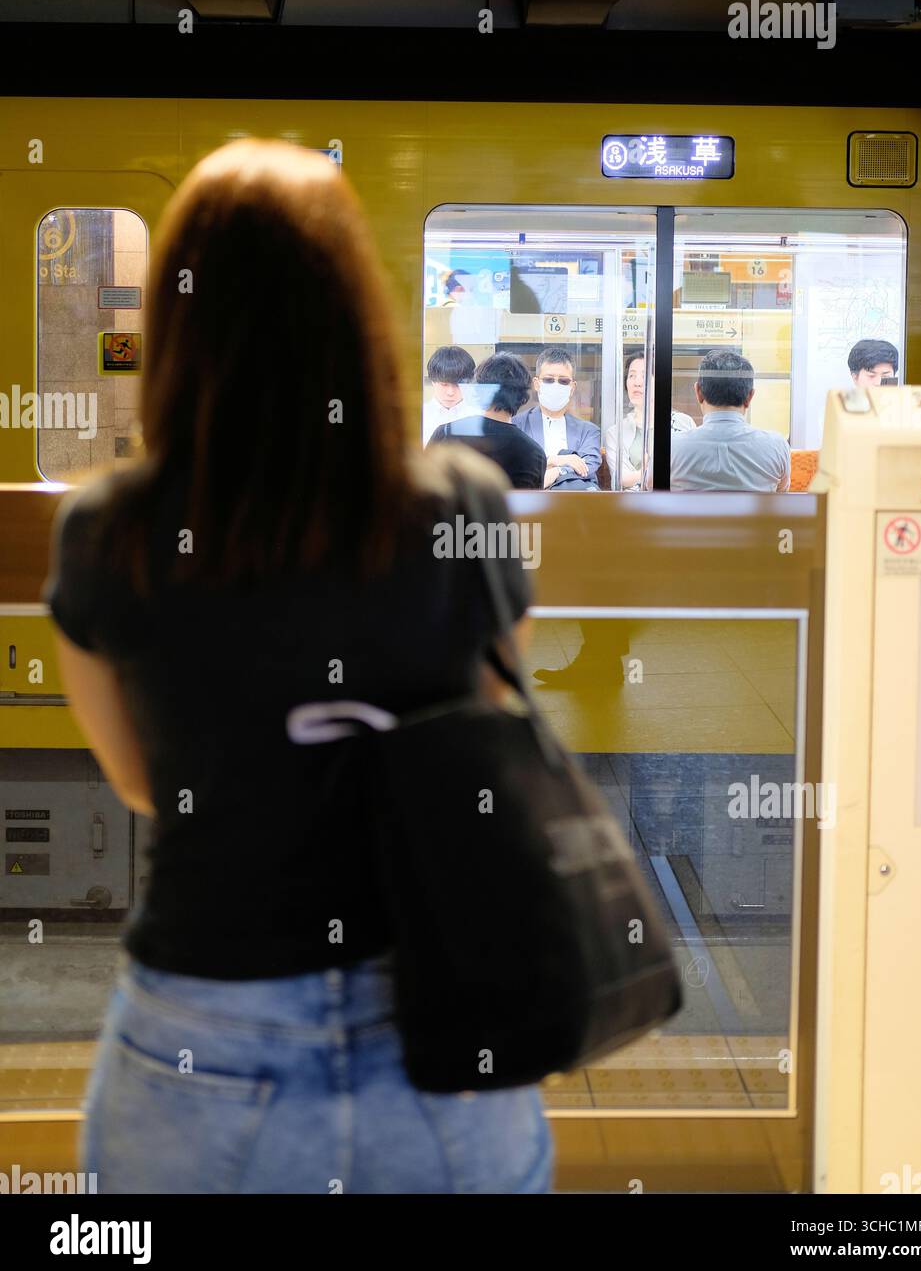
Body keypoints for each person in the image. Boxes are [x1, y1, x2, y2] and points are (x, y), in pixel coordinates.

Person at [43, 140, 552, 1195]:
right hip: (443, 1013)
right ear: (355, 312)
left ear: (180, 321)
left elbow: (141, 779)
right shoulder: (460, 502)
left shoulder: (109, 527)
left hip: (202, 1029)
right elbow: (492, 726)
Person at [670, 349, 790, 493]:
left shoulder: (671, 448)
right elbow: (781, 495)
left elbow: (650, 490)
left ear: (698, 392)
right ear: (750, 397)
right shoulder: (777, 446)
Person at [429, 352, 546, 490]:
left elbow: (425, 488)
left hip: (456, 513)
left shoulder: (446, 433)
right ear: (522, 396)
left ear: (481, 389)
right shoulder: (533, 452)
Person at [604, 351, 695, 490]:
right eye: (632, 376)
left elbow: (692, 471)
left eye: (645, 375)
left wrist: (643, 472)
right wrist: (650, 468)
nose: (637, 383)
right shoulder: (616, 432)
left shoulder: (683, 422)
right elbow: (621, 479)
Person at [513, 348, 601, 491]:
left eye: (563, 381)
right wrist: (555, 460)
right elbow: (517, 467)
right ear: (536, 384)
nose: (556, 385)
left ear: (572, 387)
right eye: (548, 380)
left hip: (575, 504)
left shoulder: (588, 431)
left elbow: (588, 465)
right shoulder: (517, 426)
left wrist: (558, 471)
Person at [422, 345, 477, 445]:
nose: (450, 392)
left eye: (457, 385)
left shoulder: (478, 416)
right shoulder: (421, 416)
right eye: (444, 384)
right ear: (432, 381)